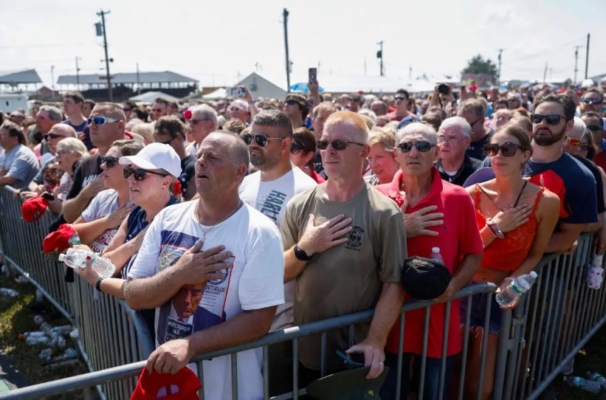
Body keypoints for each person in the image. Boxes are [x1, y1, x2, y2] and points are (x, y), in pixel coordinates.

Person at [124, 131, 285, 400]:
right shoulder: (168, 219)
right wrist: (179, 274)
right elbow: (133, 294)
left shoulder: (260, 233)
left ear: (239, 172)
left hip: (232, 388)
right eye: (199, 157)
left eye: (212, 158)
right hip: (172, 384)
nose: (200, 163)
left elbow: (259, 321)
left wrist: (191, 345)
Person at [280, 111, 407, 383]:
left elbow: (394, 284)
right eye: (324, 143)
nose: (328, 151)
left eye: (339, 144)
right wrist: (306, 248)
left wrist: (375, 340)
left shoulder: (385, 213)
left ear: (365, 152)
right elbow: (281, 272)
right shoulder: (299, 205)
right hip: (304, 350)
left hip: (353, 355)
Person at [374, 122, 483, 400]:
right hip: (388, 320)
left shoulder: (458, 197)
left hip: (438, 319)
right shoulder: (377, 197)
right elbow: (363, 254)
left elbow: (474, 253)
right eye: (406, 146)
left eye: (422, 146)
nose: (413, 153)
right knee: (388, 392)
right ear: (396, 153)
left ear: (435, 152)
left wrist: (453, 286)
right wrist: (400, 227)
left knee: (432, 392)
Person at [462, 124, 560, 400]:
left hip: (500, 297)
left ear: (525, 154)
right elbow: (461, 253)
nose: (498, 155)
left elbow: (535, 254)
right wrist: (494, 228)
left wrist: (515, 279)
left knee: (481, 385)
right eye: (492, 149)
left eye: (507, 149)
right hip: (462, 291)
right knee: (453, 373)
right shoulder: (471, 195)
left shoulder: (545, 202)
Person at [525, 94, 598, 252]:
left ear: (569, 125)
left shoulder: (581, 177)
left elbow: (567, 236)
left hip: (541, 273)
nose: (543, 123)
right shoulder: (501, 156)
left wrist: (516, 250)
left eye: (553, 119)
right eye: (537, 118)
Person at [62, 103, 131, 223]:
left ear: (120, 125)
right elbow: (67, 215)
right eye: (90, 121)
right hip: (86, 238)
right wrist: (86, 193)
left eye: (99, 121)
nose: (91, 126)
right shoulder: (86, 164)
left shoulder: (135, 160)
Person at [72, 140, 143, 253]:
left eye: (110, 161)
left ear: (132, 166)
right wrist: (106, 222)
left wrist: (88, 255)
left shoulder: (145, 206)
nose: (102, 165)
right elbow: (70, 234)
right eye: (103, 160)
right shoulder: (103, 197)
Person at [153, 116, 197, 200]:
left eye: (165, 144)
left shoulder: (193, 167)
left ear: (179, 138)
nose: (162, 149)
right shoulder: (157, 165)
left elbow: (191, 202)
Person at [435, 117, 482, 186]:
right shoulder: (428, 170)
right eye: (441, 137)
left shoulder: (479, 172)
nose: (445, 143)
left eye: (452, 138)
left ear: (467, 142)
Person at [0, 121, 39, 189]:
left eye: (2, 134)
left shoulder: (23, 154)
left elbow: (10, 179)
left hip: (20, 198)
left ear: (15, 138)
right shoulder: (4, 152)